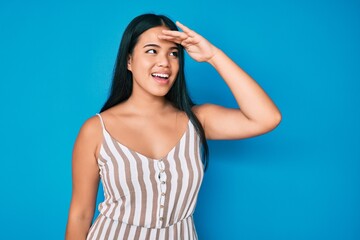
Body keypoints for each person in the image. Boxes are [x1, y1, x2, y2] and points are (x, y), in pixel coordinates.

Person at [65, 13, 281, 240]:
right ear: (129, 60)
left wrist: (214, 56)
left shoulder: (197, 121)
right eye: (151, 51)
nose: (164, 62)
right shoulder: (96, 130)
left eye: (174, 53)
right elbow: (80, 214)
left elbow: (267, 118)